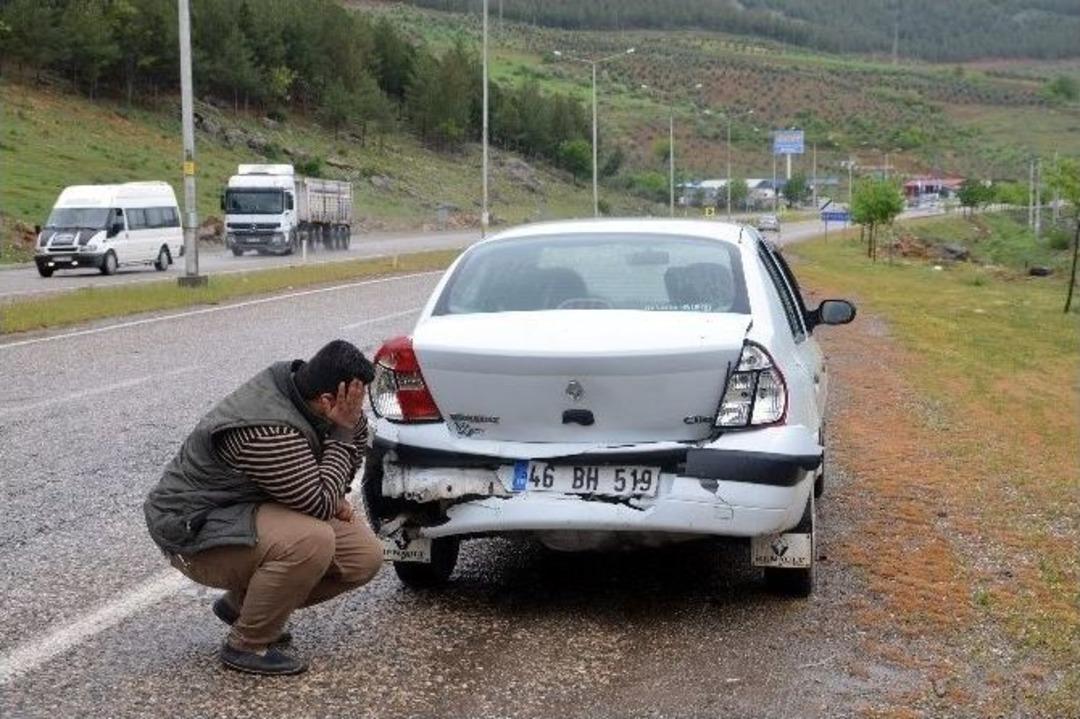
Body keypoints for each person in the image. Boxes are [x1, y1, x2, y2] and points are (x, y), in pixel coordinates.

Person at [144, 339, 383, 675]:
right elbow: (319, 504)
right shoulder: (266, 428)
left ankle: (242, 606)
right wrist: (342, 432)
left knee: (364, 556)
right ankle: (248, 643)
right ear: (329, 399)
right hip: (191, 526)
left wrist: (346, 441)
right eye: (353, 402)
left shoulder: (312, 396)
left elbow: (346, 464)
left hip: (245, 506)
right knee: (312, 540)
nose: (357, 410)